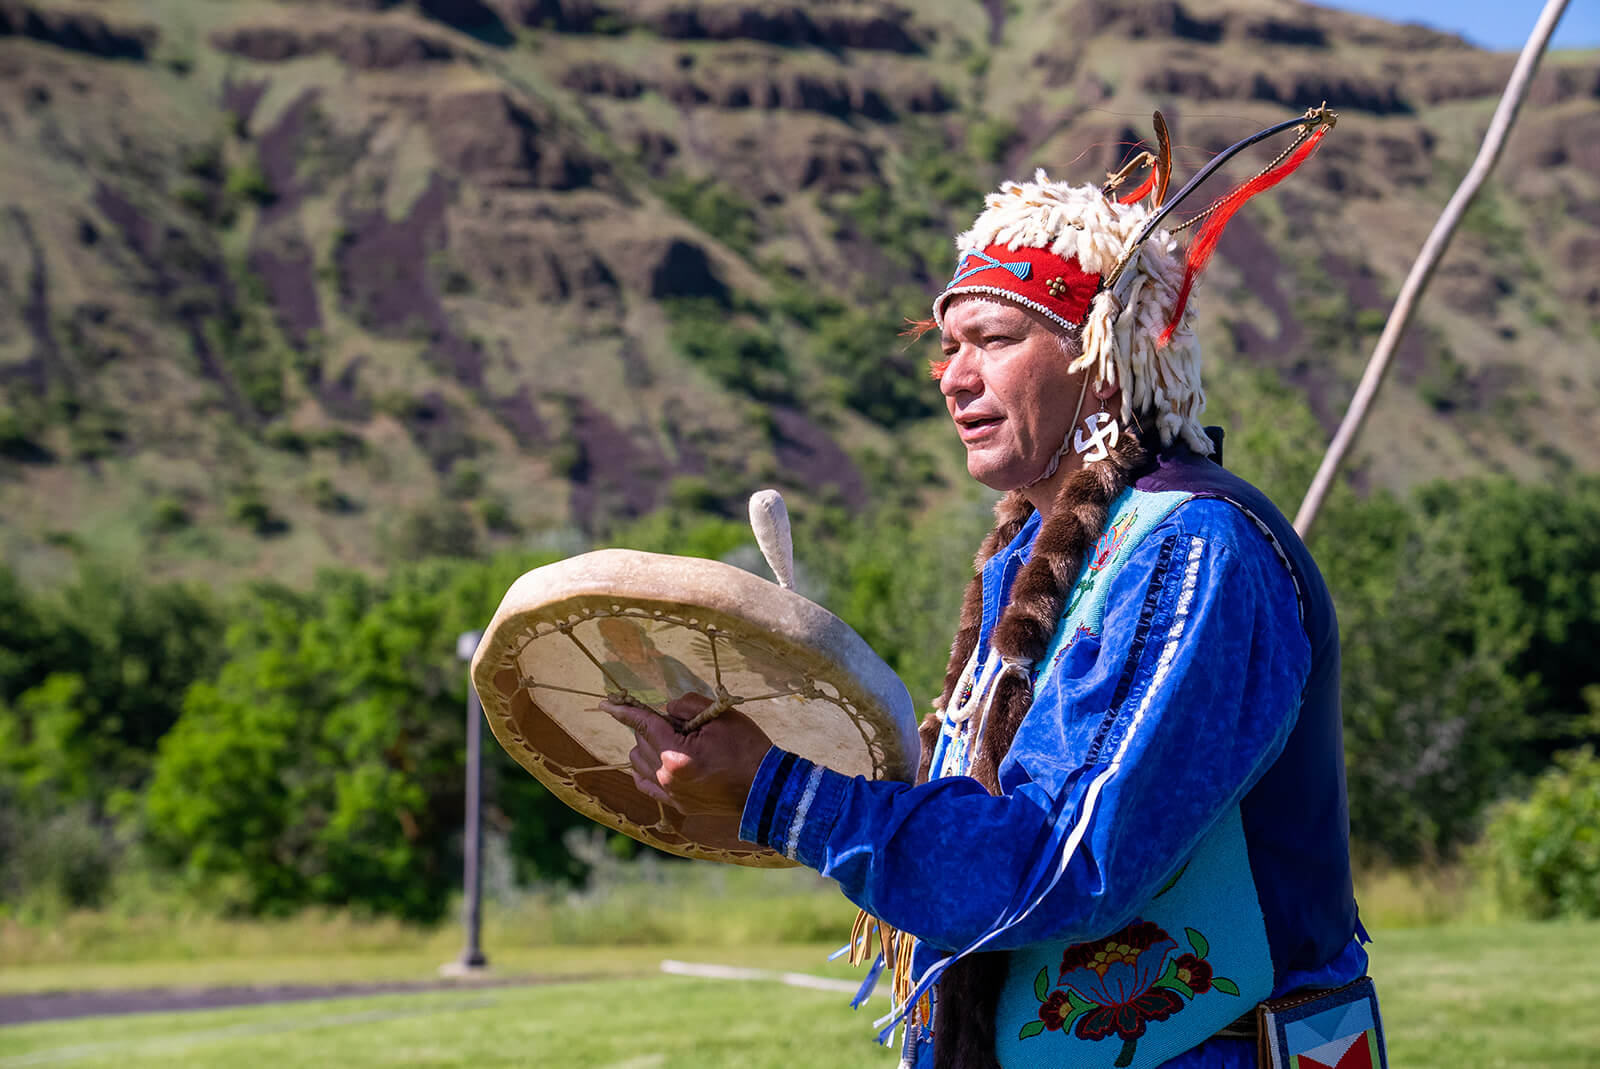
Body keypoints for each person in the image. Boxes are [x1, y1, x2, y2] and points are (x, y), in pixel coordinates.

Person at [605, 149, 1371, 1068]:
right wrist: (781, 746)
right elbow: (982, 805)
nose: (951, 376)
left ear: (1102, 356)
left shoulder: (1196, 549)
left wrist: (780, 789)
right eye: (948, 344)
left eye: (995, 339)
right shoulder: (1025, 552)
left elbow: (1064, 862)